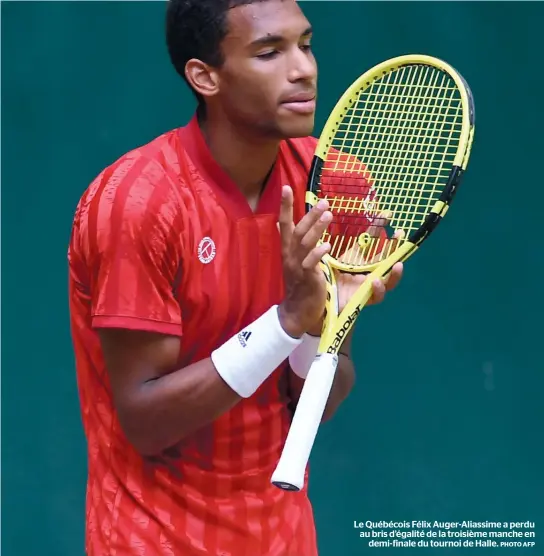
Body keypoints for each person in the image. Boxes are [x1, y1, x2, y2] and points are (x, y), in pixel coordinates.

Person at [67, 0, 404, 554]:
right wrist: (288, 319)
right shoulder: (138, 202)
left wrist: (323, 326)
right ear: (205, 77)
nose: (303, 68)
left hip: (285, 537)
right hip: (151, 539)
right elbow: (147, 423)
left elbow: (316, 399)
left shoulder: (334, 184)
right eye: (270, 52)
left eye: (306, 44)